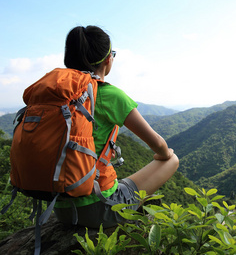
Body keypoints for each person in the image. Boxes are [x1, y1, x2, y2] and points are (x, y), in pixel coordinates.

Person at [53, 25, 179, 228]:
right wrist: (164, 154)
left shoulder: (57, 95)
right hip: (98, 210)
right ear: (107, 60)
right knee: (172, 160)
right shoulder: (109, 95)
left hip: (59, 208)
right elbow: (158, 144)